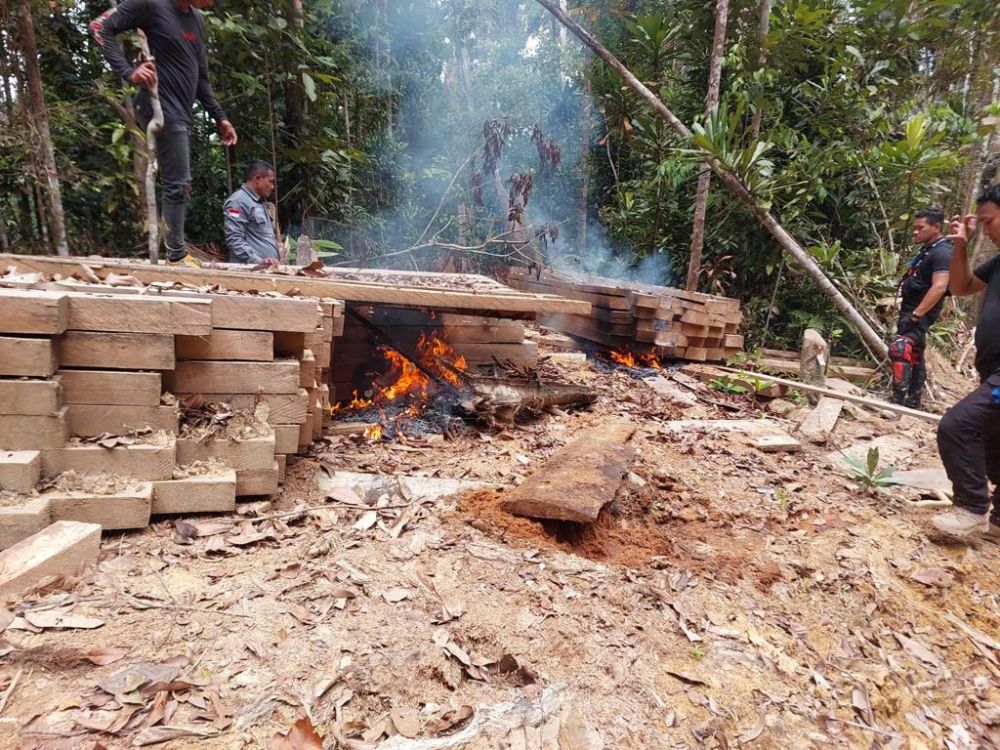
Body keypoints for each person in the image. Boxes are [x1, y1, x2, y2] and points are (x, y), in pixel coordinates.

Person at [90, 0, 238, 267]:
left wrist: (220, 117)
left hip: (181, 110)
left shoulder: (196, 19)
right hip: (159, 104)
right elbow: (100, 27)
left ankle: (175, 252)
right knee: (178, 182)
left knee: (179, 182)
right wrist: (128, 72)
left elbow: (201, 77)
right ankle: (176, 255)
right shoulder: (152, 4)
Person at [930, 184, 1000, 539]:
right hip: (992, 371)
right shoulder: (999, 262)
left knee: (958, 426)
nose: (985, 229)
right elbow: (961, 287)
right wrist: (961, 245)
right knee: (993, 440)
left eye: (989, 221)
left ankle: (971, 508)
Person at [889, 208, 953, 409]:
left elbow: (940, 286)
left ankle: (896, 403)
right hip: (911, 309)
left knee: (900, 348)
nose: (915, 232)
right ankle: (913, 400)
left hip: (920, 311)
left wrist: (918, 314)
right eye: (914, 228)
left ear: (936, 227)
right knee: (915, 355)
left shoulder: (942, 252)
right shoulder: (928, 250)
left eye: (920, 228)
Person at [223, 160, 280, 265]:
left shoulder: (259, 202)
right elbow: (234, 239)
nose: (272, 187)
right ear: (258, 179)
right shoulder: (238, 202)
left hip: (265, 269)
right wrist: (258, 261)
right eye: (270, 181)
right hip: (250, 270)